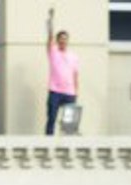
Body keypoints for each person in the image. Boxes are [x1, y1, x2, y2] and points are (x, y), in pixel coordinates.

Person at [44, 8, 79, 136]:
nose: (63, 41)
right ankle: (49, 142)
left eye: (65, 39)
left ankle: (69, 144)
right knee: (51, 118)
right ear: (57, 41)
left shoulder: (74, 56)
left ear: (67, 41)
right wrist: (51, 20)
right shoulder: (53, 52)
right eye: (61, 39)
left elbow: (75, 75)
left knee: (69, 123)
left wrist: (76, 92)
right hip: (55, 92)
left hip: (69, 93)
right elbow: (49, 36)